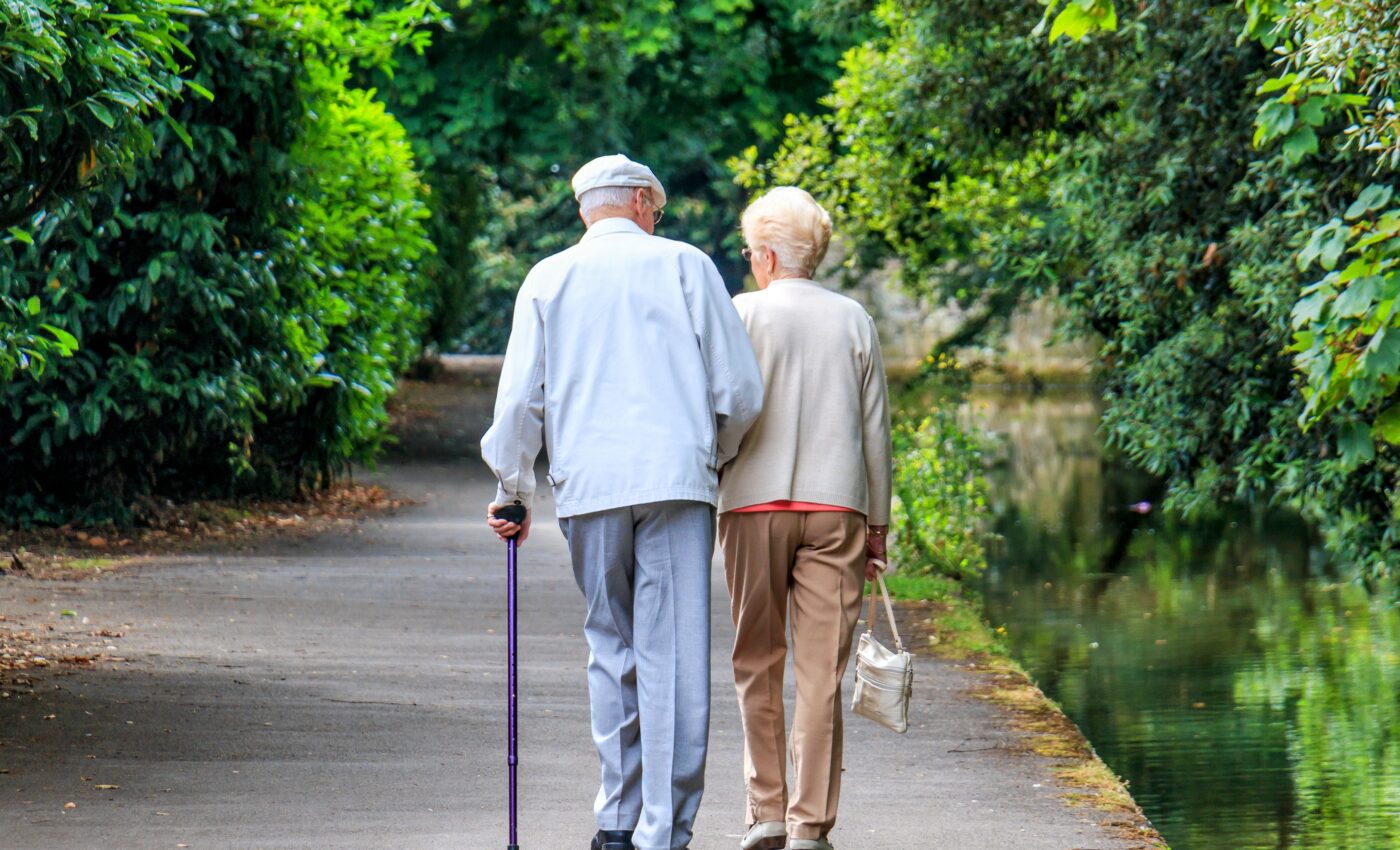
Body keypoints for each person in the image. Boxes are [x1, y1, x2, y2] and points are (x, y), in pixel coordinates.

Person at [481, 154, 765, 850]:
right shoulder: (687, 267)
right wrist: (714, 455)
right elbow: (740, 393)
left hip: (589, 485)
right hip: (675, 481)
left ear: (586, 210)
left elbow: (521, 400)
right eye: (656, 209)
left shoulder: (547, 277)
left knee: (610, 645)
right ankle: (662, 832)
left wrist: (512, 490)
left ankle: (615, 818)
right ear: (641, 201)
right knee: (672, 655)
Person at [717, 186, 893, 850]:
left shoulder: (741, 314)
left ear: (764, 254)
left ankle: (765, 808)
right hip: (837, 508)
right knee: (822, 673)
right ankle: (809, 827)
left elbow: (723, 411)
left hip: (751, 506)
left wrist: (719, 469)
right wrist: (877, 524)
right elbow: (875, 432)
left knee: (756, 661)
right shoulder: (853, 319)